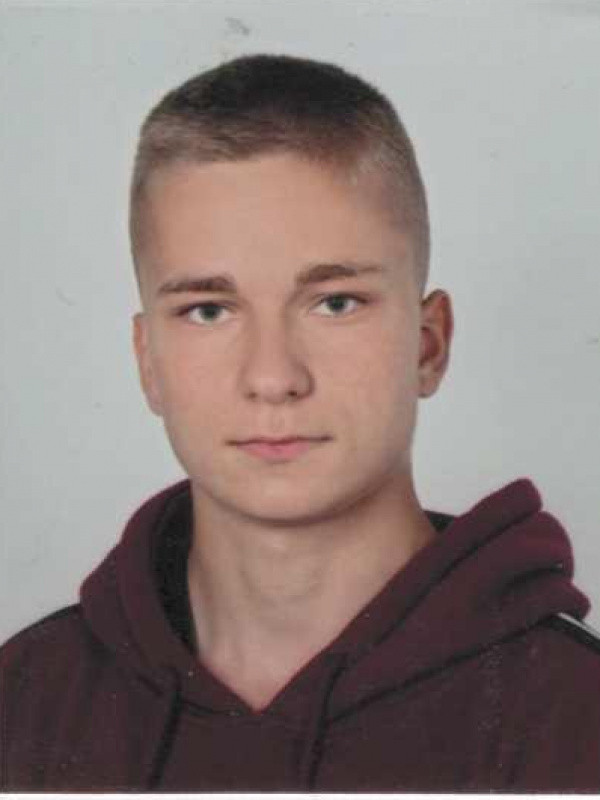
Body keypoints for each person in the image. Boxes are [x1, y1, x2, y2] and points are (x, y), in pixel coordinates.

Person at [1, 53, 599, 792]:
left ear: (428, 344)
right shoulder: (25, 700)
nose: (273, 378)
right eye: (208, 311)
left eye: (335, 303)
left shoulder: (576, 719)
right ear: (148, 361)